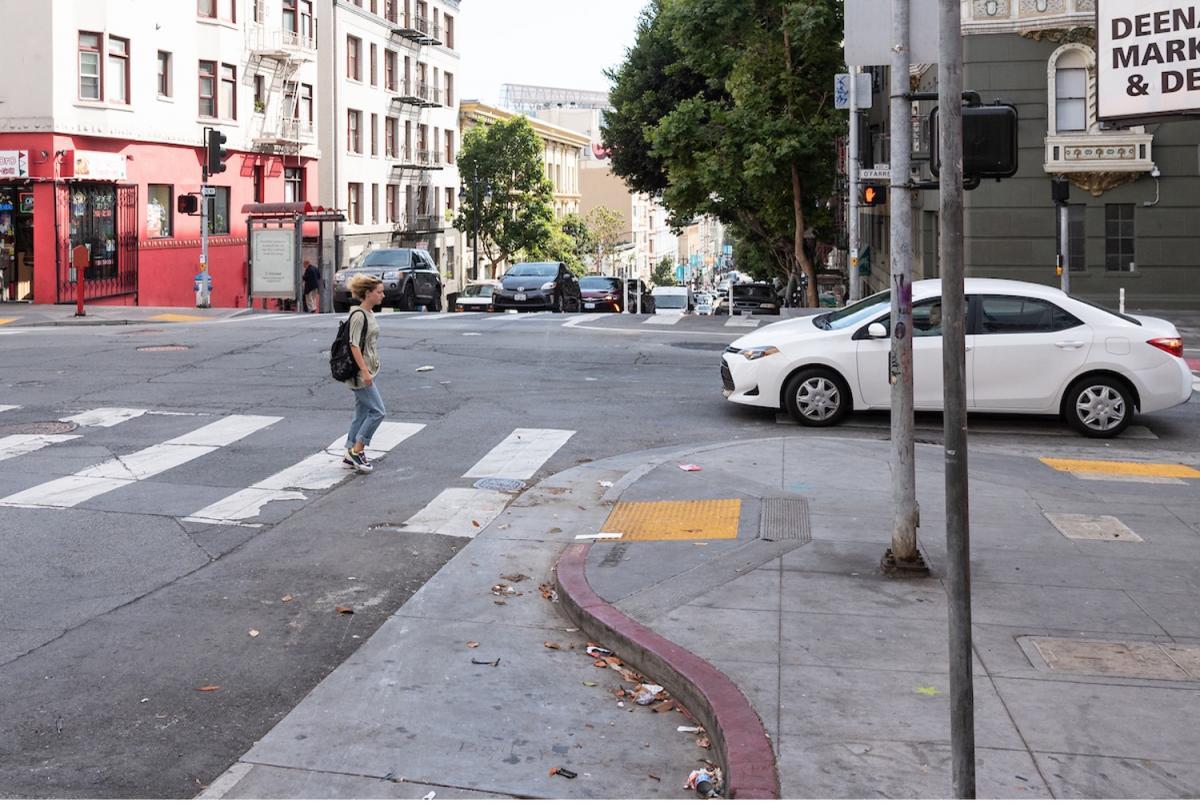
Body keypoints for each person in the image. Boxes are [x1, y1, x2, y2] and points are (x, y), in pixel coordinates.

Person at [342, 274, 386, 473]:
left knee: (361, 413)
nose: (382, 295)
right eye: (379, 292)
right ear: (368, 293)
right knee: (378, 411)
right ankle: (358, 450)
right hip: (361, 374)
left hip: (367, 370)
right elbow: (353, 345)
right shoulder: (359, 315)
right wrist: (364, 372)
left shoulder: (369, 313)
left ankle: (349, 451)